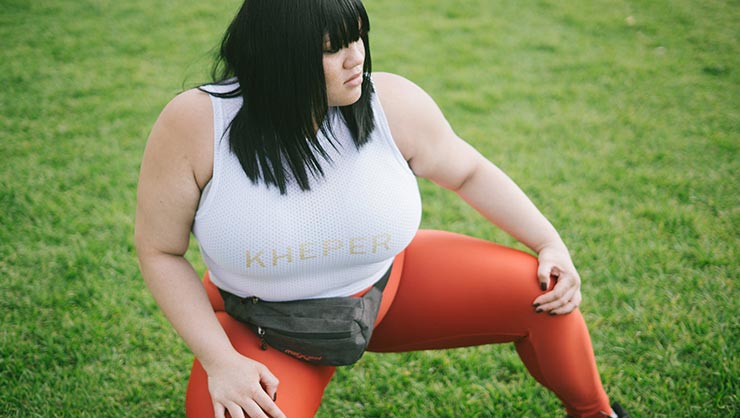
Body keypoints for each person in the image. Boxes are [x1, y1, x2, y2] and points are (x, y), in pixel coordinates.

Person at [135, 0, 631, 417]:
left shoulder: (390, 101)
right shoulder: (199, 123)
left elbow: (469, 171)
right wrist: (221, 361)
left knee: (544, 294)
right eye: (332, 48)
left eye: (358, 37)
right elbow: (159, 251)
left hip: (387, 283)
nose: (357, 58)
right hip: (265, 326)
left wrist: (549, 243)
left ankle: (597, 413)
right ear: (278, 58)